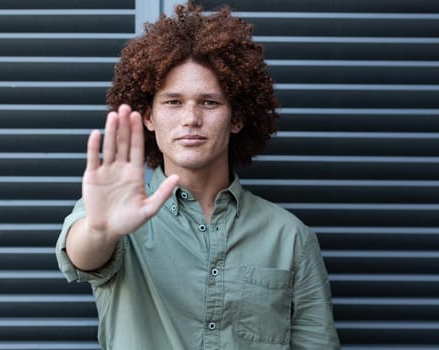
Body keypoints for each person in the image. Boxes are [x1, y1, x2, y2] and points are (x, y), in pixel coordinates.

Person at [56, 2, 340, 349]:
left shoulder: (290, 237)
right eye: (173, 102)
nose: (190, 118)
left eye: (209, 102)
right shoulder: (118, 213)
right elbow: (83, 257)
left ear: (237, 119)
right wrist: (101, 229)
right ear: (148, 117)